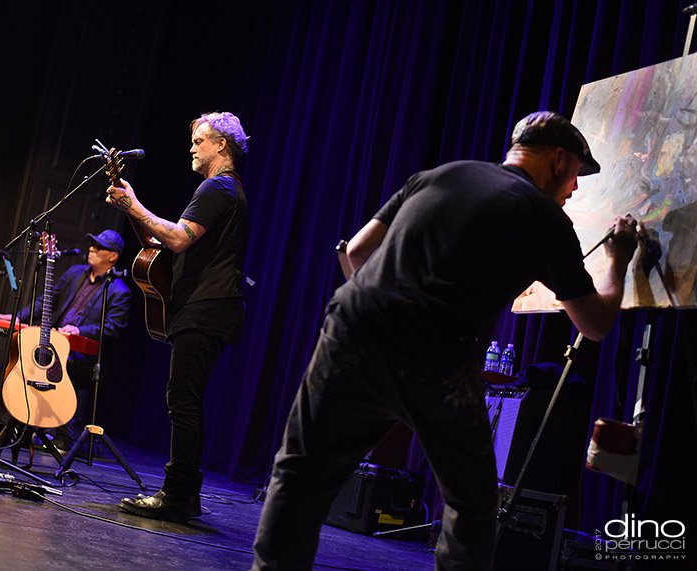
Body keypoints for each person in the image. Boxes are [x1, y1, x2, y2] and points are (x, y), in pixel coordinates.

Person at [251, 111, 641, 570]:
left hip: (351, 328)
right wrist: (618, 258)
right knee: (471, 507)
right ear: (557, 159)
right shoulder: (545, 217)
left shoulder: (439, 174)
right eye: (575, 173)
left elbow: (356, 252)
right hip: (435, 356)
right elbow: (595, 324)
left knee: (300, 472)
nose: (574, 188)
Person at [106, 111, 250, 523]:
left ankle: (176, 495)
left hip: (208, 307)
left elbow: (177, 239)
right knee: (184, 400)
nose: (191, 147)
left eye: (199, 140)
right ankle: (184, 495)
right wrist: (132, 209)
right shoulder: (223, 189)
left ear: (221, 144)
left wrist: (135, 203)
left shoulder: (217, 188)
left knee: (183, 401)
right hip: (209, 307)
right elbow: (161, 245)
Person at [0, 228, 131, 449]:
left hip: (83, 358)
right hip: (53, 344)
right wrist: (17, 317)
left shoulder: (118, 291)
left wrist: (80, 331)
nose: (91, 249)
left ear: (113, 256)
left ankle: (63, 435)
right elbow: (44, 301)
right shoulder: (75, 273)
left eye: (98, 247)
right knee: (22, 355)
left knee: (58, 366)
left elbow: (112, 327)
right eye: (91, 244)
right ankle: (13, 421)